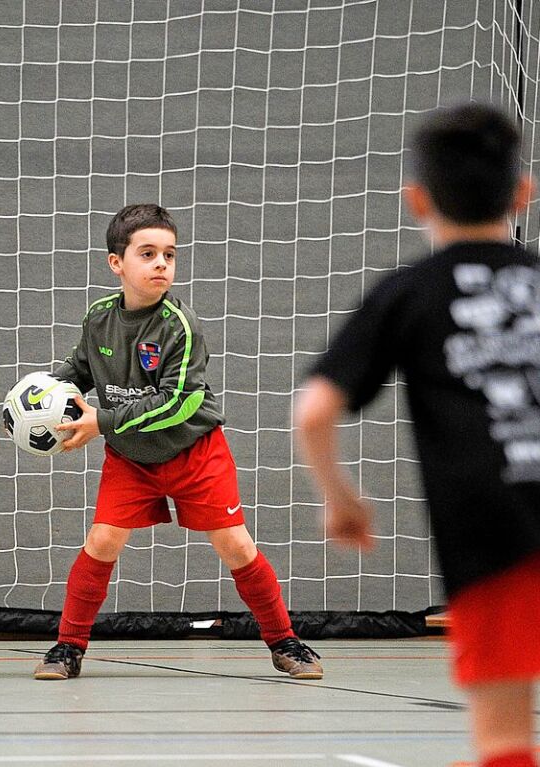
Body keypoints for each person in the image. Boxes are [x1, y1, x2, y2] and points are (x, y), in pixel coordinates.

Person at [294, 102, 539, 767]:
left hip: (496, 532)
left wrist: (340, 499)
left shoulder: (410, 292)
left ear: (416, 200)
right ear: (522, 192)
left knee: (503, 741)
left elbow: (313, 411)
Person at [34, 203, 323, 681]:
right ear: (116, 263)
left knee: (235, 545)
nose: (161, 264)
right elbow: (78, 370)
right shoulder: (99, 317)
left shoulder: (180, 325)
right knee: (102, 540)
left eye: (169, 254)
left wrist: (102, 422)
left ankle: (283, 640)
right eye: (147, 253)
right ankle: (68, 647)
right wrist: (34, 398)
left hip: (195, 452)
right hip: (133, 457)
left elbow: (179, 402)